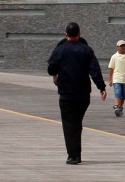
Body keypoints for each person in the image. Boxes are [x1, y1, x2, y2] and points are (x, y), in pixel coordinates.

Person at [45, 22, 106, 165]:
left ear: (65, 34)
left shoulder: (60, 49)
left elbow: (51, 69)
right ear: (79, 34)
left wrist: (56, 74)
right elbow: (95, 70)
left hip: (66, 93)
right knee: (76, 122)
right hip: (83, 94)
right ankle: (76, 152)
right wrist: (101, 87)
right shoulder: (86, 50)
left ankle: (73, 156)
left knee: (69, 124)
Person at [109, 40, 125, 117]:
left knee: (123, 95)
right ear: (117, 47)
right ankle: (117, 106)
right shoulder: (114, 57)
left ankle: (120, 108)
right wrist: (110, 79)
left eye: (123, 45)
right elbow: (111, 68)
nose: (122, 47)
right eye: (121, 46)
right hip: (117, 78)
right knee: (118, 92)